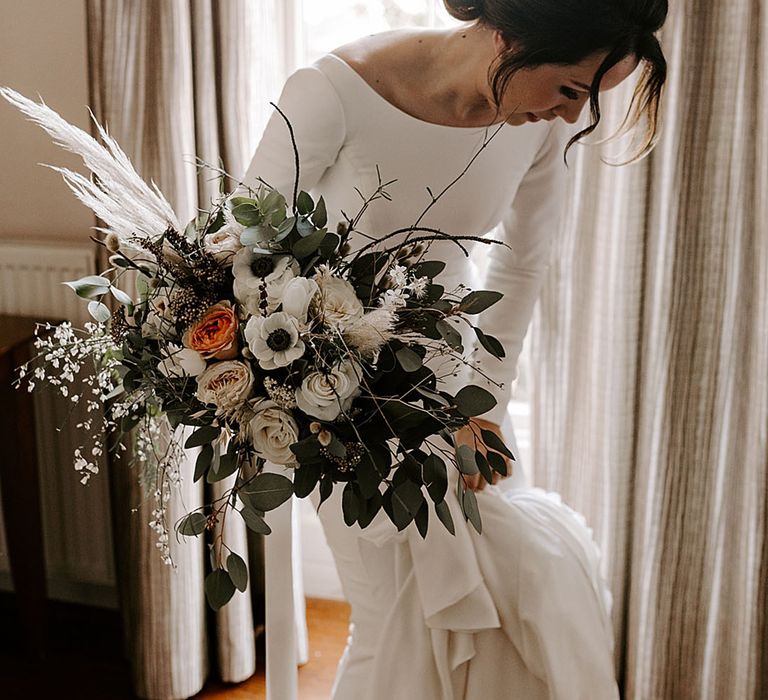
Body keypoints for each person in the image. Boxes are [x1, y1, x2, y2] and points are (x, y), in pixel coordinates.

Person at [241, 1, 668, 697]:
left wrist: (485, 407)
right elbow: (245, 250)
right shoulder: (332, 90)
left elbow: (522, 266)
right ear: (509, 41)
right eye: (569, 90)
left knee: (501, 593)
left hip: (464, 386)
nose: (570, 117)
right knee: (391, 615)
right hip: (334, 394)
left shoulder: (532, 128)